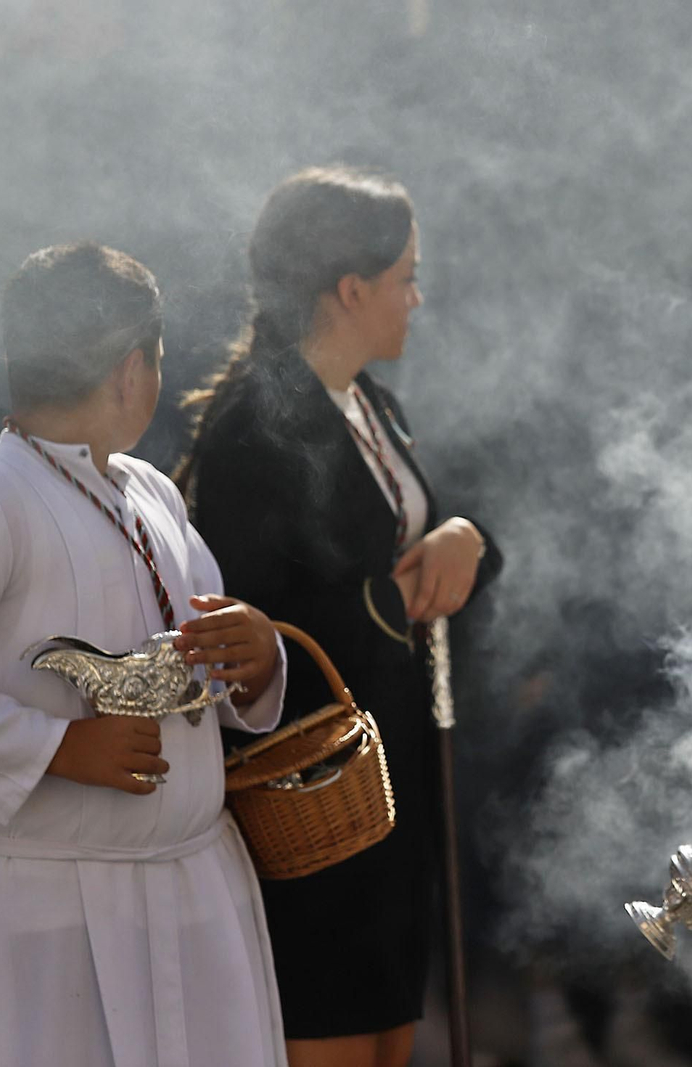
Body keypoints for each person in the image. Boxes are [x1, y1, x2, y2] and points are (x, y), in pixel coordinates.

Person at [0, 242, 288, 1066]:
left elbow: (206, 648)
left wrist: (258, 660)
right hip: (51, 902)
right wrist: (58, 747)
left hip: (196, 879)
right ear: (133, 369)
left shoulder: (151, 489)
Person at [176, 166, 502, 1067]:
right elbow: (251, 614)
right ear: (351, 289)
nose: (417, 296)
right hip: (309, 786)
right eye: (406, 276)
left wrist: (465, 537)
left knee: (390, 1031)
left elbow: (428, 534)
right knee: (327, 1036)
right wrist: (396, 595)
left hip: (389, 767)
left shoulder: (369, 400)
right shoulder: (257, 419)